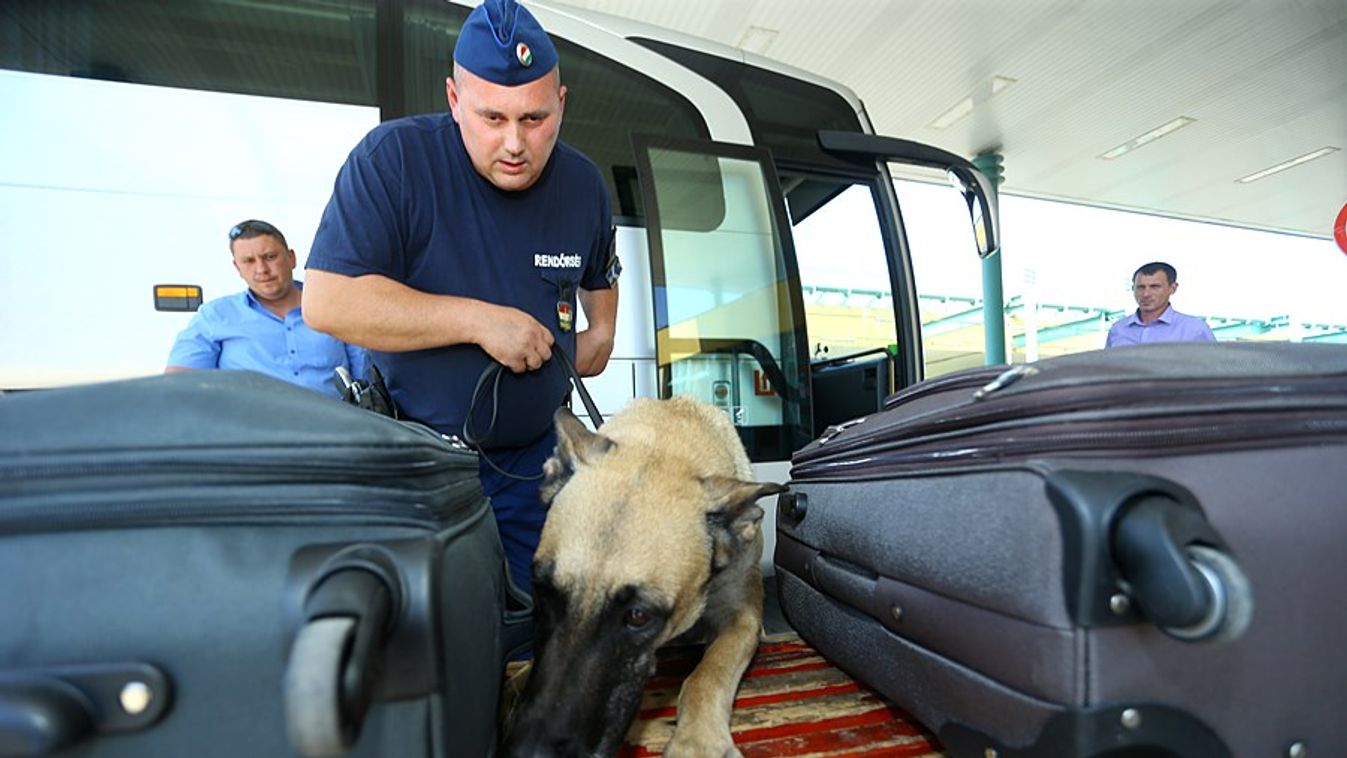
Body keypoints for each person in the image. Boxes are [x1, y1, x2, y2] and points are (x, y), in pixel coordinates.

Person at [301, 0, 620, 595]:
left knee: (542, 627)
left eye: (535, 118)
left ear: (562, 104)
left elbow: (600, 293)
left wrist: (586, 346)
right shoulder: (393, 160)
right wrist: (478, 322)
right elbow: (328, 301)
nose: (515, 142)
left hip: (537, 465)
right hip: (421, 463)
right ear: (453, 100)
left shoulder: (583, 185)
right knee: (436, 636)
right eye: (492, 117)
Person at [166, 219, 370, 398]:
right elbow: (179, 386)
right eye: (249, 261)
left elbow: (366, 381)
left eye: (270, 257)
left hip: (332, 431)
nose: (262, 269)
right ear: (237, 268)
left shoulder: (335, 308)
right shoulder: (214, 316)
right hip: (253, 434)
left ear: (292, 258)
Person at [1105, 261, 1215, 348]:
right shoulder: (1118, 330)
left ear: (1172, 288)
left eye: (1155, 287)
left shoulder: (1195, 330)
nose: (1146, 294)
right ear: (1133, 289)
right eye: (1141, 287)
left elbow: (1214, 370)